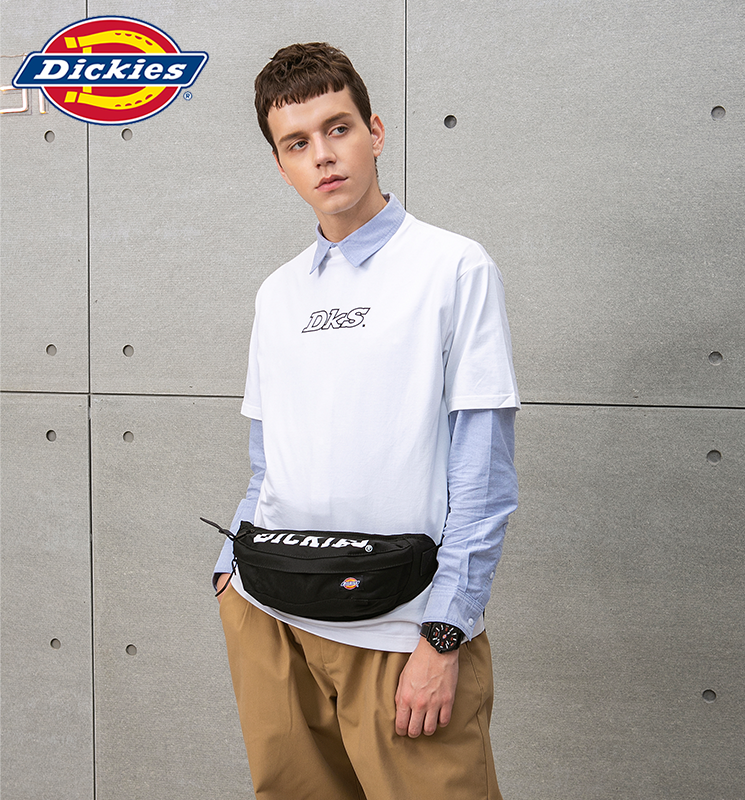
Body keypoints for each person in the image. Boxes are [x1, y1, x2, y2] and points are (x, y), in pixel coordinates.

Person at [213, 42, 519, 800]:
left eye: (338, 128)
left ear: (374, 133)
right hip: (271, 615)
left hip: (401, 627)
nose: (323, 155)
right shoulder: (278, 293)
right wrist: (228, 576)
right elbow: (267, 459)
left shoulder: (454, 267)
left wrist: (444, 634)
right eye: (297, 143)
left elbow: (482, 472)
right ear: (280, 165)